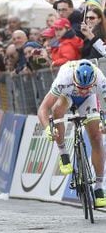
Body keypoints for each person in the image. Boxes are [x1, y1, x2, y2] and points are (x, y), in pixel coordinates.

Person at [37, 60, 106, 208]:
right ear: (74, 80)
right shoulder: (64, 78)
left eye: (87, 88)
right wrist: (47, 129)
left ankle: (99, 187)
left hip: (90, 101)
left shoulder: (100, 79)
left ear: (93, 82)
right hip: (67, 96)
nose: (83, 91)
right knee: (57, 110)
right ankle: (63, 152)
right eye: (81, 87)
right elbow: (43, 108)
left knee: (97, 138)